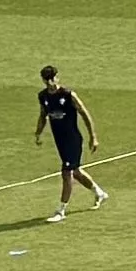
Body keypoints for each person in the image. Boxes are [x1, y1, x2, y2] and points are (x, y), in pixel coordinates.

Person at [34, 65, 107, 221]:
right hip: (59, 141)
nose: (50, 83)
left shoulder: (68, 95)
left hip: (73, 139)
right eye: (47, 81)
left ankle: (61, 211)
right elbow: (43, 115)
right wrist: (38, 133)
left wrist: (93, 137)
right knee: (76, 172)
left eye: (52, 79)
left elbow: (84, 113)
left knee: (66, 173)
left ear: (57, 78)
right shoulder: (43, 97)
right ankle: (99, 193)